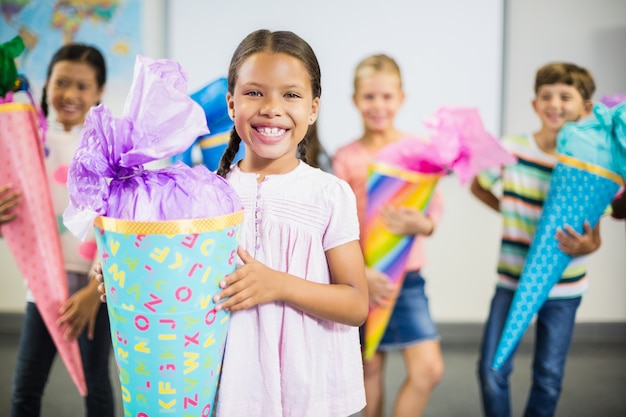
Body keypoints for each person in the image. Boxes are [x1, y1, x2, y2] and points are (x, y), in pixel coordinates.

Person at [470, 62, 602, 417]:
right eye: (546, 96)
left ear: (586, 108)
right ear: (534, 105)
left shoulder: (589, 163)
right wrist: (511, 209)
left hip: (564, 289)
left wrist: (586, 245)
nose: (554, 103)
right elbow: (478, 185)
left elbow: (594, 238)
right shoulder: (511, 149)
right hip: (512, 280)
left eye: (565, 96)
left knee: (548, 375)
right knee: (491, 368)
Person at [332, 54, 444, 417]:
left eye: (386, 96)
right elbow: (338, 225)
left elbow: (433, 211)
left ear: (401, 98)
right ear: (355, 100)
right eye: (369, 97)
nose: (378, 105)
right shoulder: (346, 157)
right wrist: (359, 273)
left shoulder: (417, 149)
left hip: (407, 280)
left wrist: (422, 224)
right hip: (364, 278)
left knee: (429, 369)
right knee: (370, 369)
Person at [8, 43, 115, 417]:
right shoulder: (28, 143)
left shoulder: (106, 147)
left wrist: (92, 289)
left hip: (94, 290)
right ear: (47, 83)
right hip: (43, 286)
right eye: (62, 83)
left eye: (82, 86)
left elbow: (113, 221)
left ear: (99, 91)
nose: (70, 94)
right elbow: (19, 212)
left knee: (95, 384)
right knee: (26, 387)